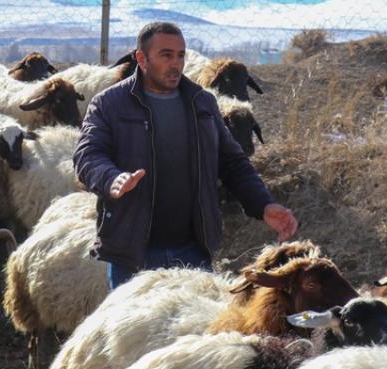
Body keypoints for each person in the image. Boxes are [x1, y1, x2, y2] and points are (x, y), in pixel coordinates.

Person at [73, 21, 298, 289]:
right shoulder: (109, 104)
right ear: (141, 58)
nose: (176, 63)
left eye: (181, 55)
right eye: (166, 55)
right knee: (137, 331)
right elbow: (87, 155)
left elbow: (232, 163)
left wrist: (263, 204)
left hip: (192, 251)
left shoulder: (201, 103)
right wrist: (112, 178)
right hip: (133, 253)